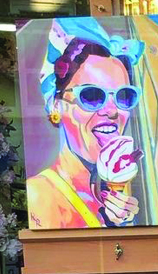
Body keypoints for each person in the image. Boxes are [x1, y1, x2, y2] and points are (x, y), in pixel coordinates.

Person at [27, 19, 143, 229]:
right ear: (56, 106)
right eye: (91, 95)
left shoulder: (105, 194)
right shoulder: (40, 196)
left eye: (124, 96)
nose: (112, 111)